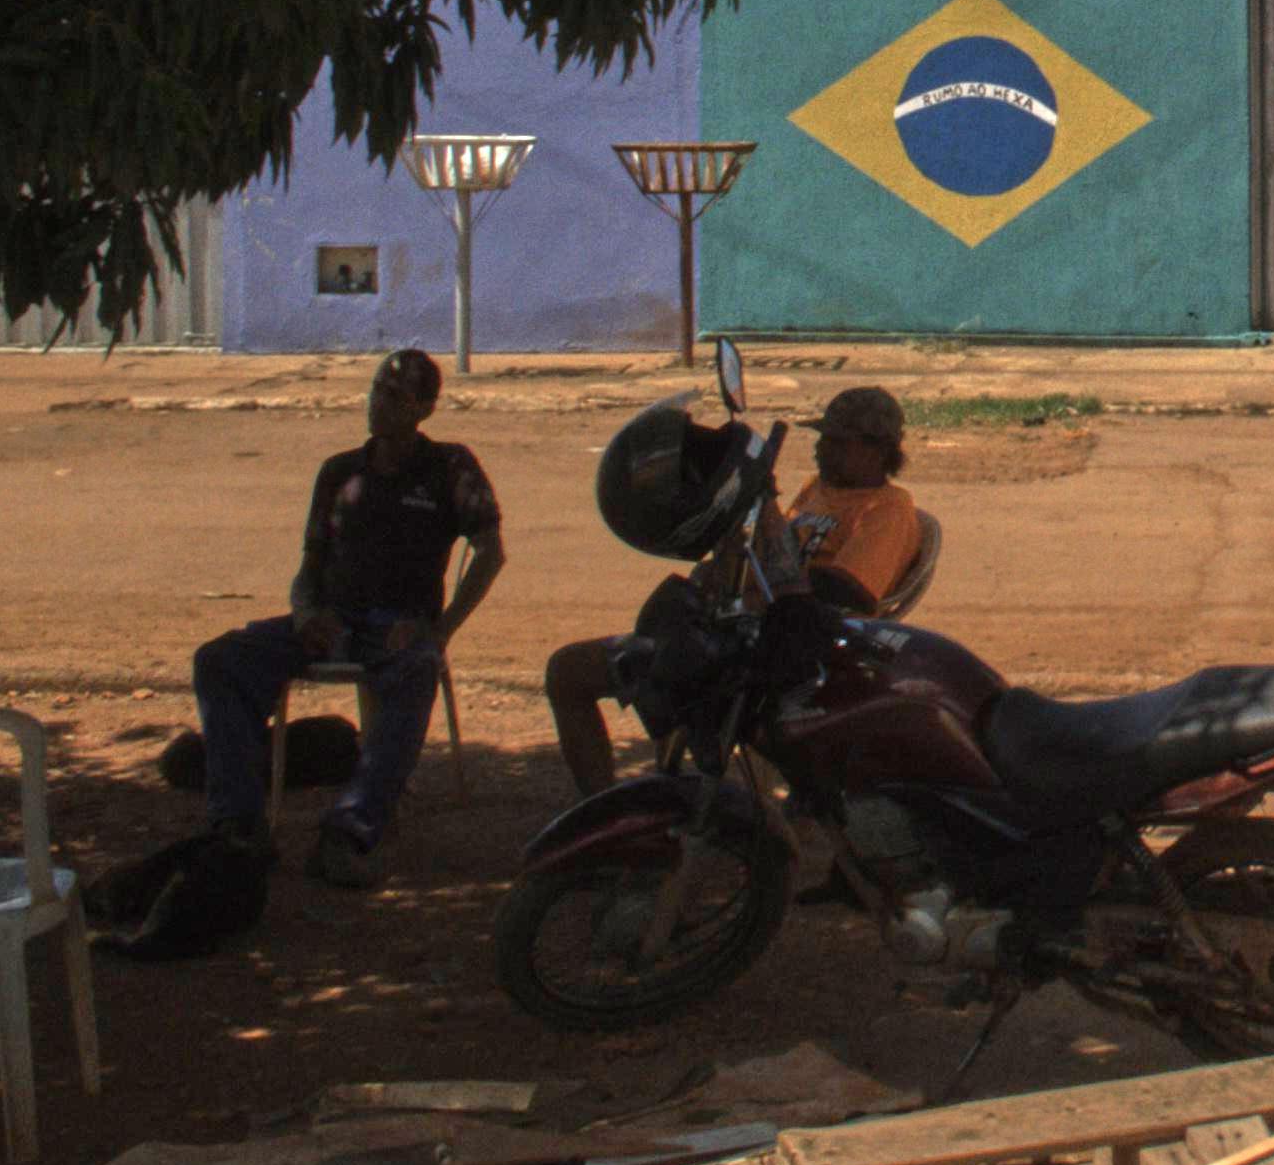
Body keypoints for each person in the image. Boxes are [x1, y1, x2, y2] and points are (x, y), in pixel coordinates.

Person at [193, 347, 502, 886]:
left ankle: (350, 829)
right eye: (377, 389)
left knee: (417, 670)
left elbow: (490, 553)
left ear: (424, 409)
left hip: (398, 631)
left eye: (395, 396)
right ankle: (238, 827)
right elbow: (308, 568)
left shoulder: (449, 468)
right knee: (219, 661)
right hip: (330, 623)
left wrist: (440, 630)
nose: (378, 403)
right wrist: (305, 613)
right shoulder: (340, 473)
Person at [544, 381, 924, 795]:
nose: (819, 449)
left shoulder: (888, 510)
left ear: (876, 450)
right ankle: (608, 806)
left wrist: (763, 566)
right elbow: (764, 544)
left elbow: (850, 592)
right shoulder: (817, 490)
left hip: (766, 652)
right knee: (569, 670)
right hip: (732, 629)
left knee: (578, 672)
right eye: (822, 438)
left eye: (834, 442)